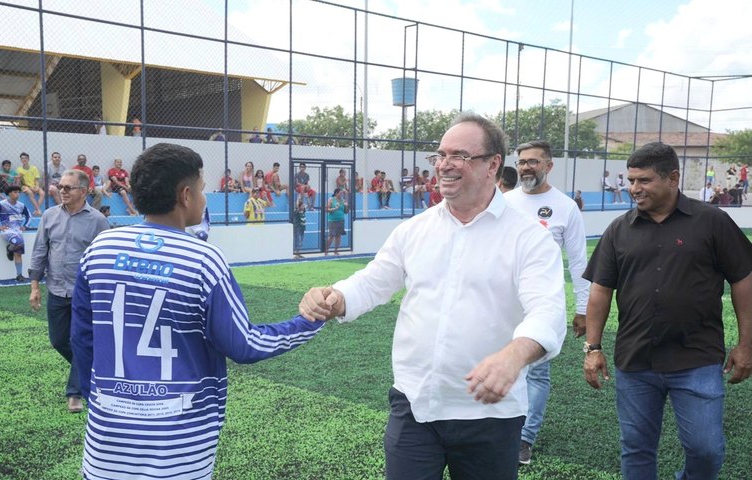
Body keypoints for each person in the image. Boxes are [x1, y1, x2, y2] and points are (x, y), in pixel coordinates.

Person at [299, 112, 566, 479]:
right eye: (440, 155)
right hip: (415, 406)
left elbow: (547, 311)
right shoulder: (414, 230)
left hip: (490, 417)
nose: (444, 165)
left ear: (493, 164)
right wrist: (336, 296)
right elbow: (374, 281)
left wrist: (513, 356)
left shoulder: (529, 237)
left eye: (459, 156)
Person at [70, 143, 325, 480]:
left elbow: (82, 339)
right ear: (186, 195)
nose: (205, 199)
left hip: (105, 451)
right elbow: (245, 344)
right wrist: (308, 321)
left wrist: (105, 402)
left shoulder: (100, 249)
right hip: (179, 455)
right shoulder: (203, 259)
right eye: (203, 190)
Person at [582, 141, 752, 480]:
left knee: (706, 450)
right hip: (635, 360)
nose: (633, 189)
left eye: (643, 180)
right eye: (630, 180)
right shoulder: (619, 229)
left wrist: (746, 344)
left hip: (696, 358)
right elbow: (600, 291)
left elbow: (744, 282)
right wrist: (593, 347)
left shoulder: (712, 222)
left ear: (672, 178)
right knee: (637, 449)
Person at [504, 140, 590, 465]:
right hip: (502, 303)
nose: (527, 167)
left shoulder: (566, 207)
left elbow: (579, 263)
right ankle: (500, 428)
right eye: (523, 161)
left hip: (543, 304)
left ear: (549, 166)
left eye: (534, 162)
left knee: (536, 373)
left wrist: (582, 309)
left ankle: (524, 439)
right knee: (501, 364)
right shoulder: (504, 201)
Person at [28, 169, 109, 413]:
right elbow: (40, 250)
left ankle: (75, 393)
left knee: (79, 340)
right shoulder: (49, 216)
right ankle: (93, 369)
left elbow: (104, 257)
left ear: (83, 191)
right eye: (59, 186)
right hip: (56, 289)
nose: (61, 191)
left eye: (67, 187)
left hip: (85, 294)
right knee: (58, 341)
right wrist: (34, 287)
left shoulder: (98, 221)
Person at [0, 185, 31, 281]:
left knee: (18, 253)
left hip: (18, 232)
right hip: (7, 231)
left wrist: (25, 226)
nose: (17, 194)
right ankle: (10, 249)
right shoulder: (2, 204)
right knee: (19, 243)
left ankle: (19, 275)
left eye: (18, 192)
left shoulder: (21, 205)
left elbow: (29, 216)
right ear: (9, 193)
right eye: (15, 192)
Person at [16, 152, 44, 216]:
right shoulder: (19, 169)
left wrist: (37, 186)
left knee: (42, 193)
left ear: (28, 159)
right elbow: (20, 182)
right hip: (25, 186)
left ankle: (36, 210)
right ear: (20, 160)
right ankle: (38, 210)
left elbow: (36, 179)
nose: (24, 159)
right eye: (22, 158)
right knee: (30, 193)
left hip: (34, 185)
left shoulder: (34, 168)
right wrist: (29, 187)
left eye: (25, 158)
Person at [324, 187, 348, 256]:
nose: (341, 195)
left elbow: (346, 212)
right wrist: (334, 209)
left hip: (341, 220)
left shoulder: (342, 201)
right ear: (336, 193)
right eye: (340, 193)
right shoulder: (331, 199)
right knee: (331, 236)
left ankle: (336, 250)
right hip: (332, 220)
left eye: (342, 193)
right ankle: (326, 250)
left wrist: (346, 206)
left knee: (338, 236)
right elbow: (326, 209)